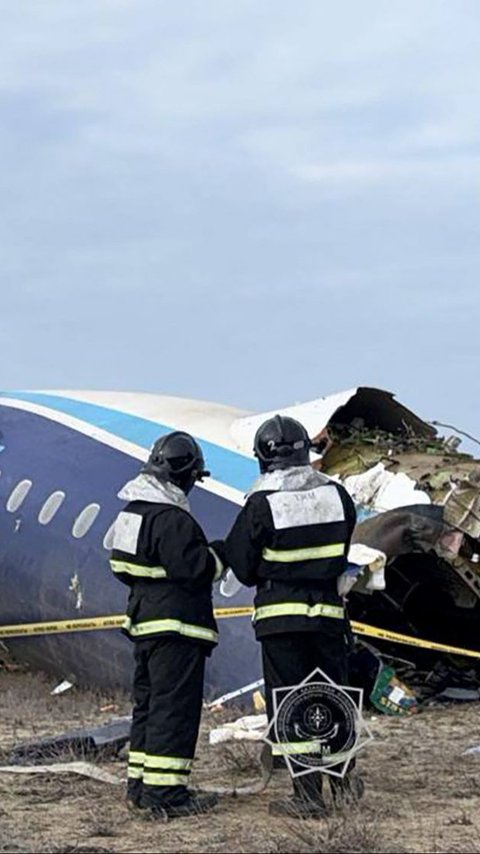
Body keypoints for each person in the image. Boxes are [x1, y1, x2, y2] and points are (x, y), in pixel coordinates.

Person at [223, 415, 363, 818]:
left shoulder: (261, 503)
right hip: (329, 617)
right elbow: (342, 550)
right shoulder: (336, 496)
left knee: (292, 703)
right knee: (334, 696)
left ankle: (308, 796)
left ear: (263, 458)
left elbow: (243, 565)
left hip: (281, 621)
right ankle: (343, 781)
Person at [110, 431, 224, 819]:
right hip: (177, 629)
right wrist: (220, 555)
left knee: (148, 706)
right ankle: (166, 795)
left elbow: (120, 567)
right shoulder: (173, 519)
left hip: (143, 625)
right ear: (186, 475)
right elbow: (195, 570)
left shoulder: (131, 513)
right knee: (174, 709)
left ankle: (140, 787)